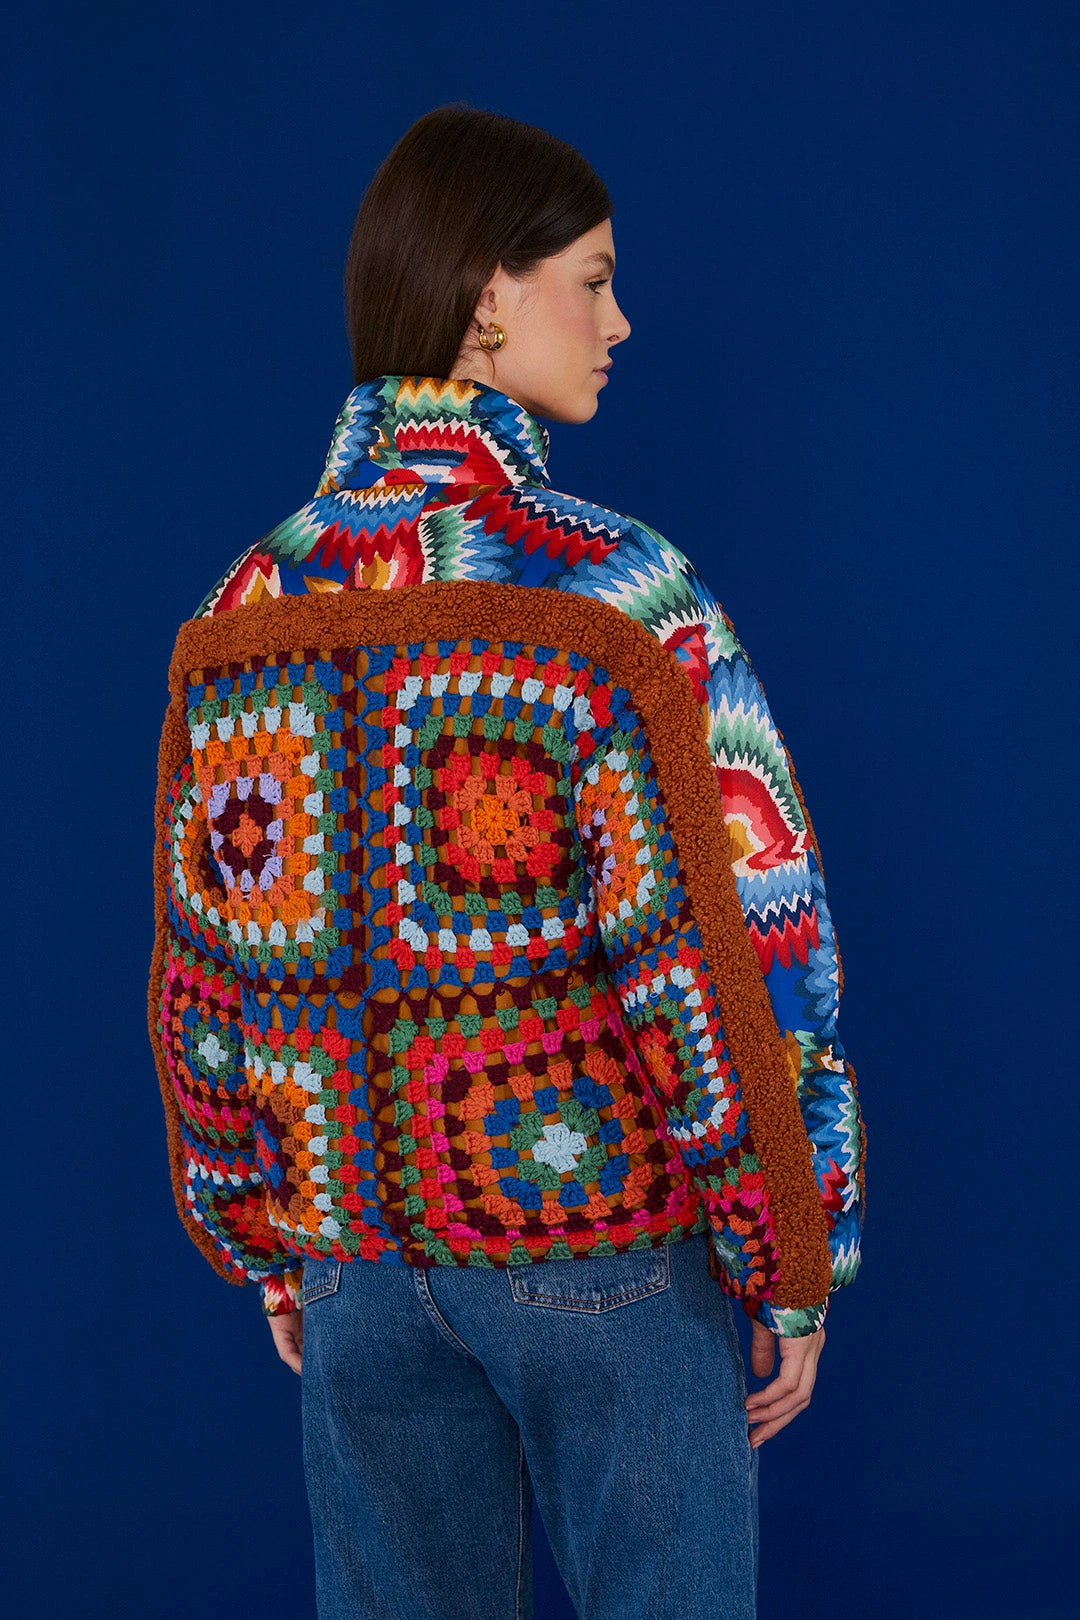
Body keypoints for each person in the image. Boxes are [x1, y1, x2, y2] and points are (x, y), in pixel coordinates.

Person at [149, 102, 865, 1620]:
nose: (620, 320)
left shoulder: (240, 612)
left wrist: (267, 1240)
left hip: (355, 1258)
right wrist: (795, 1242)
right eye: (591, 280)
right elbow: (737, 940)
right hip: (600, 1249)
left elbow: (211, 977)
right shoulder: (615, 594)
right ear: (489, 295)